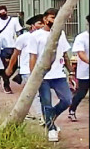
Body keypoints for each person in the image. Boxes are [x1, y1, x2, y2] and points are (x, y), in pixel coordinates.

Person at [26, 8, 73, 142]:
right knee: (46, 103)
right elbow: (33, 57)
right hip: (43, 76)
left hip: (58, 74)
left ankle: (50, 115)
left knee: (67, 100)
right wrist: (33, 76)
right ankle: (51, 128)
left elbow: (64, 54)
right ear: (45, 19)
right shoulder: (35, 36)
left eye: (57, 17)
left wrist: (71, 72)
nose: (55, 20)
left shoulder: (61, 34)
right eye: (52, 17)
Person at [5, 15, 44, 121]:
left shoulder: (45, 36)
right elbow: (15, 54)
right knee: (34, 93)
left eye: (43, 23)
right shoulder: (23, 38)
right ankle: (41, 115)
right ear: (32, 25)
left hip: (42, 70)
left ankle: (29, 112)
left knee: (36, 93)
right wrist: (10, 67)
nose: (42, 26)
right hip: (27, 70)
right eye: (39, 23)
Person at [0, 5, 23, 94]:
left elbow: (19, 31)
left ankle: (5, 78)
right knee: (5, 66)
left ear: (6, 11)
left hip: (12, 46)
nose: (2, 14)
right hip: (2, 47)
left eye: (3, 12)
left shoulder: (14, 20)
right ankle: (6, 84)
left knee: (14, 66)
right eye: (0, 13)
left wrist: (21, 41)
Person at [68, 15, 89, 122]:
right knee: (81, 93)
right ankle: (72, 110)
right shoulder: (81, 38)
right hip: (85, 72)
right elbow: (81, 54)